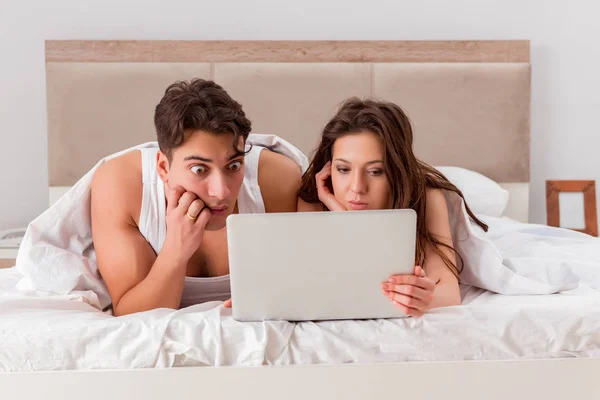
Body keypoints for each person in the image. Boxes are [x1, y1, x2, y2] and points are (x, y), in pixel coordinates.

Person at [90, 79, 304, 316]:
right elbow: (130, 314)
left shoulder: (276, 181)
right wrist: (175, 251)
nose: (221, 192)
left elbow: (309, 283)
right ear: (163, 167)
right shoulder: (122, 185)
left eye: (233, 165)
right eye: (199, 170)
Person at [297, 97, 489, 317]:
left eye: (375, 171)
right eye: (343, 169)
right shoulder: (313, 198)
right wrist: (341, 216)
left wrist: (423, 298)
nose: (357, 188)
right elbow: (318, 289)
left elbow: (448, 292)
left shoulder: (425, 197)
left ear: (397, 171)